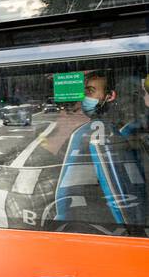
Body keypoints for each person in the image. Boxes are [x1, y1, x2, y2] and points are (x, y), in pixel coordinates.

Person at [54, 72, 145, 229]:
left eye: (89, 91)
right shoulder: (97, 131)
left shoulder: (112, 132)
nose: (84, 98)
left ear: (110, 96)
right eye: (83, 92)